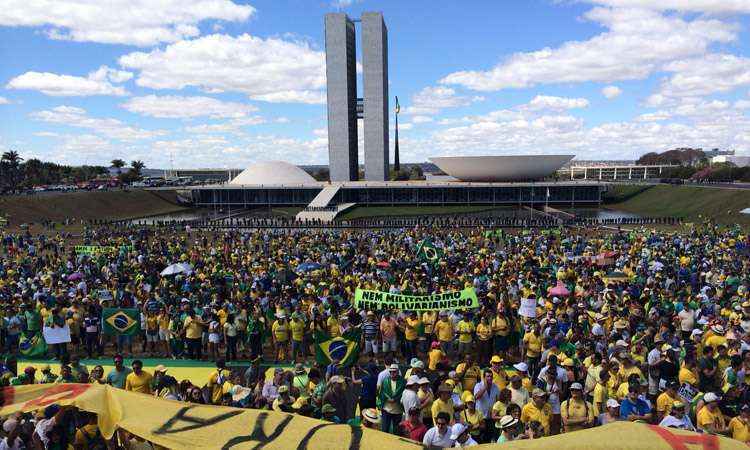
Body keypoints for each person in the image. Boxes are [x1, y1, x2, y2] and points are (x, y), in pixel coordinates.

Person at [378, 363, 405, 434]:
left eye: (394, 371)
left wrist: (395, 399)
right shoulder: (385, 381)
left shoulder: (403, 382)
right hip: (386, 410)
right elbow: (381, 393)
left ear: (398, 371)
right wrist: (387, 399)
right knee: (384, 430)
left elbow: (403, 393)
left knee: (397, 432)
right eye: (391, 372)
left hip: (398, 411)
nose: (392, 373)